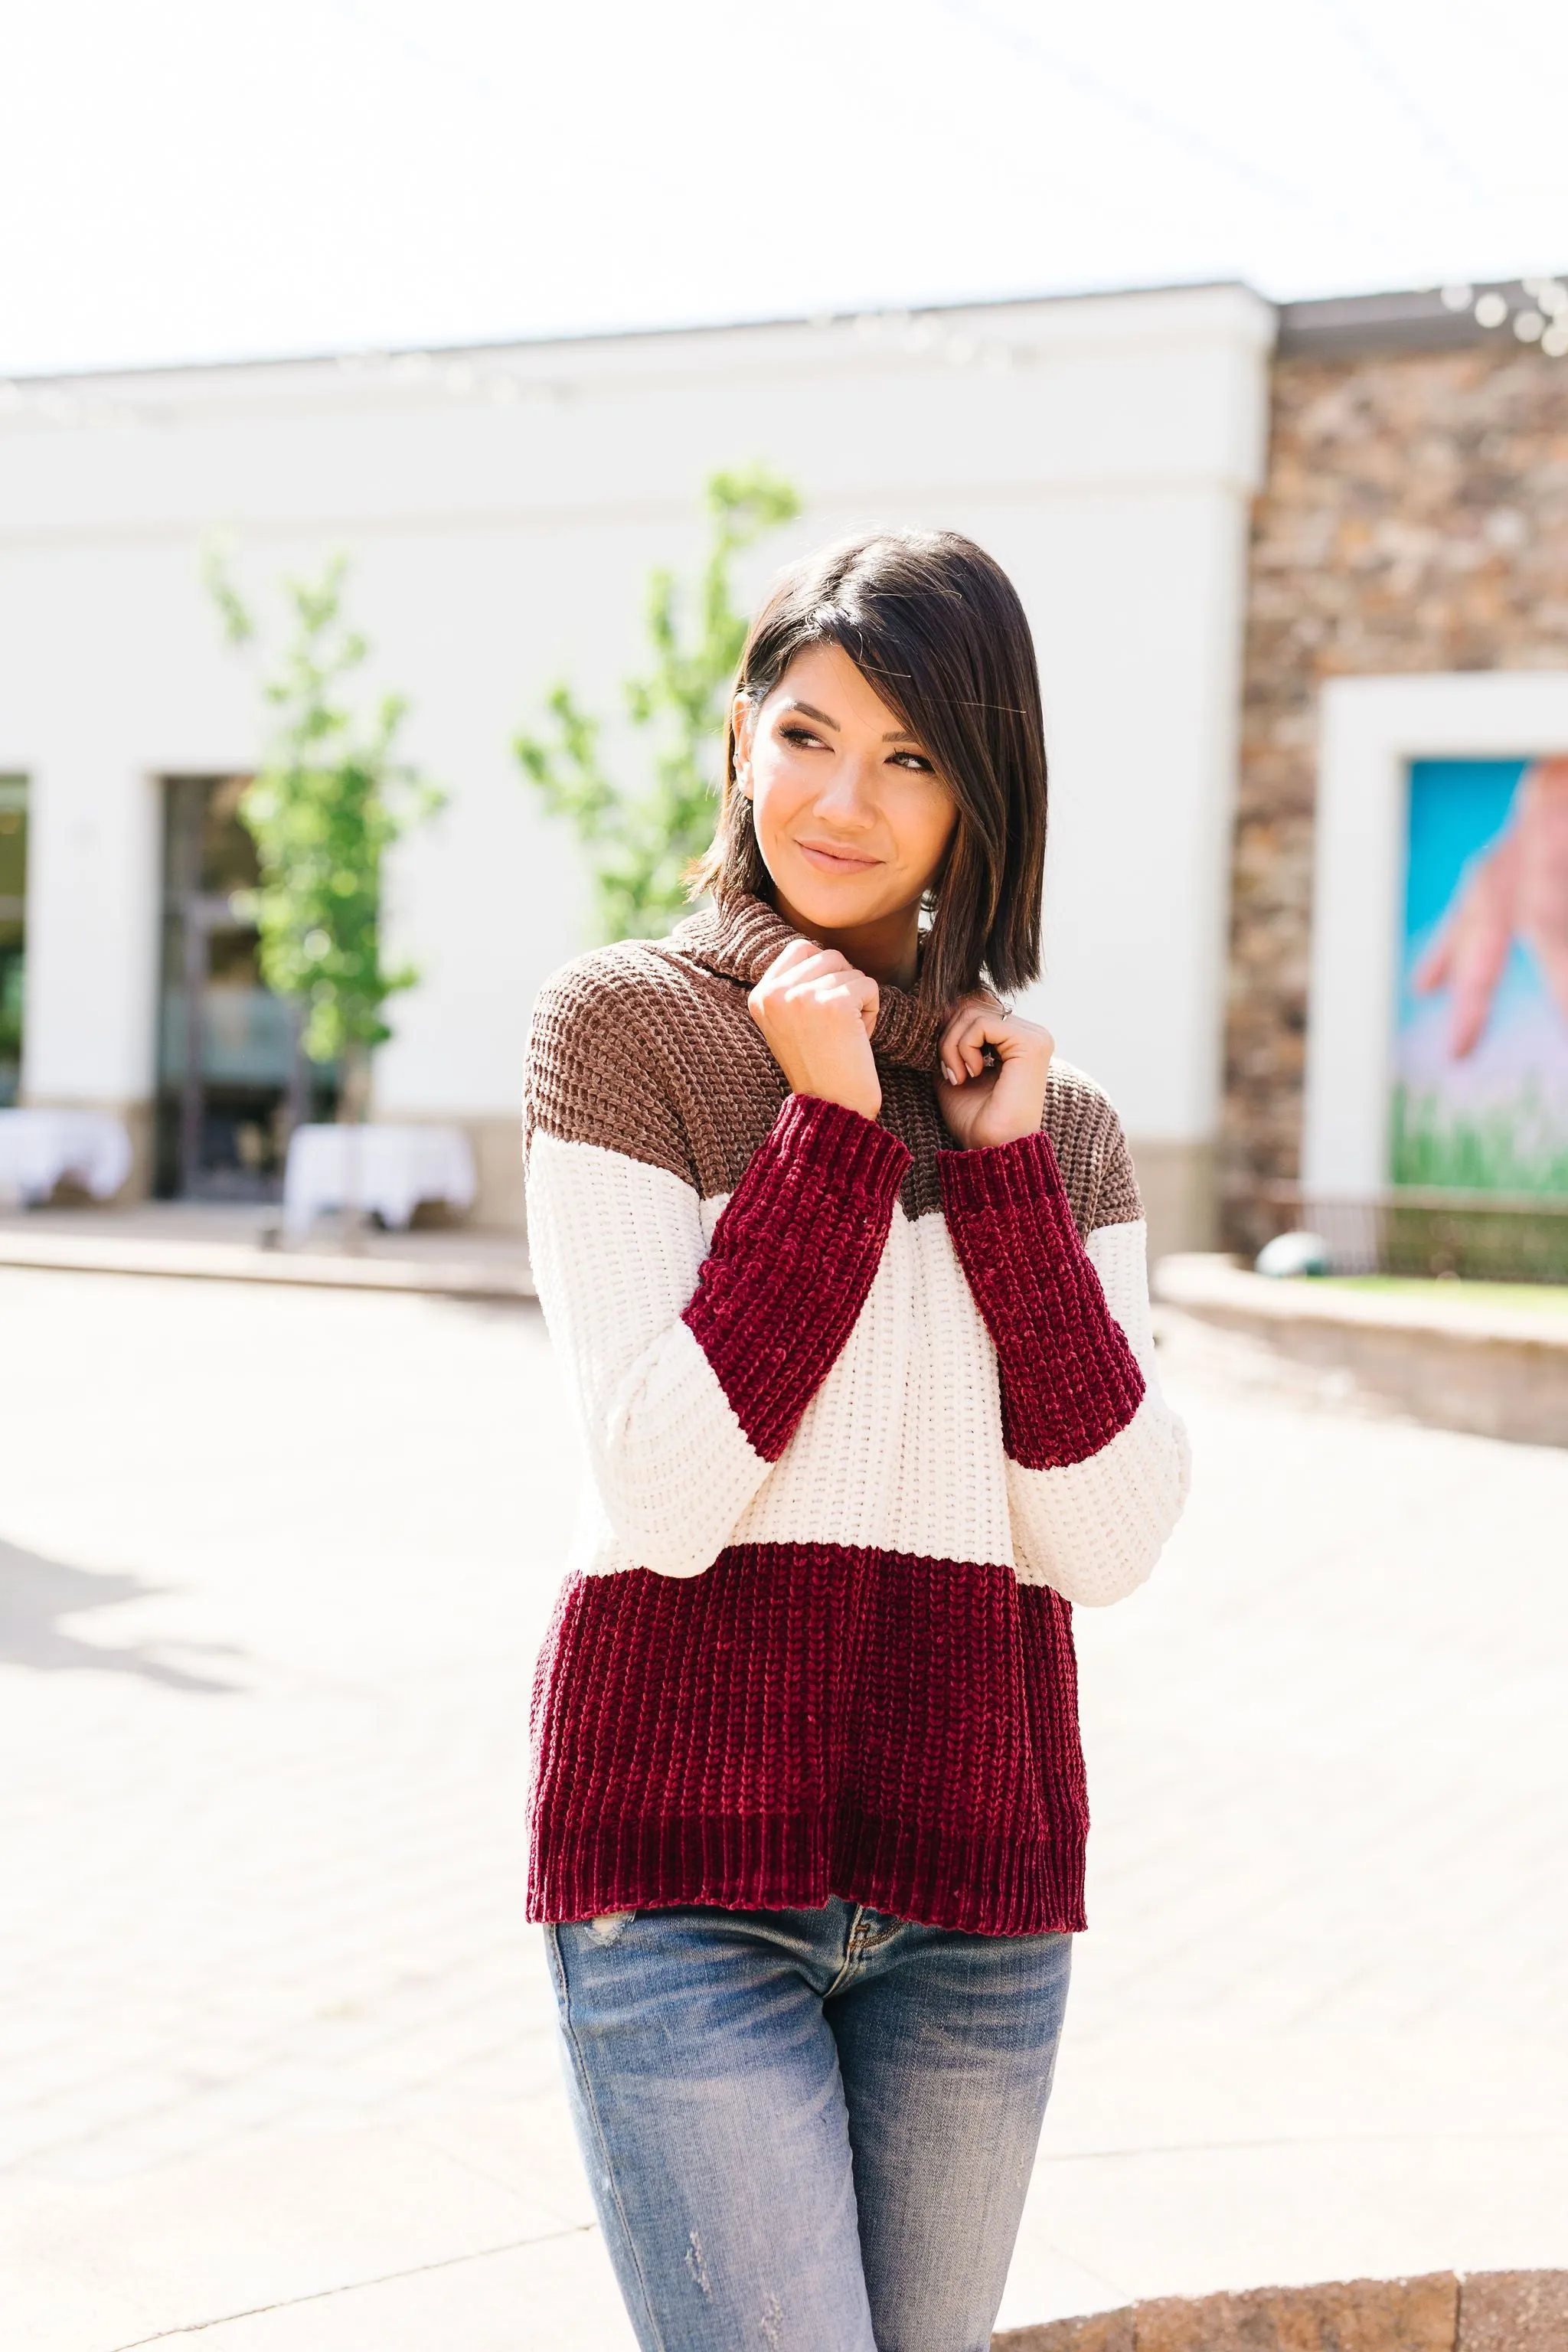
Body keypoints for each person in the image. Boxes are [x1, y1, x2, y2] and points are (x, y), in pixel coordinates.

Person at [522, 530, 1191, 2352]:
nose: (843, 798)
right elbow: (661, 1490)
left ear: (982, 799)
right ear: (739, 740)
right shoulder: (628, 1034)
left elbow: (1110, 1538)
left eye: (909, 758)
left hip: (976, 1893)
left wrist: (997, 1185)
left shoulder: (1055, 1130)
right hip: (683, 1891)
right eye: (809, 735)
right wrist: (826, 1137)